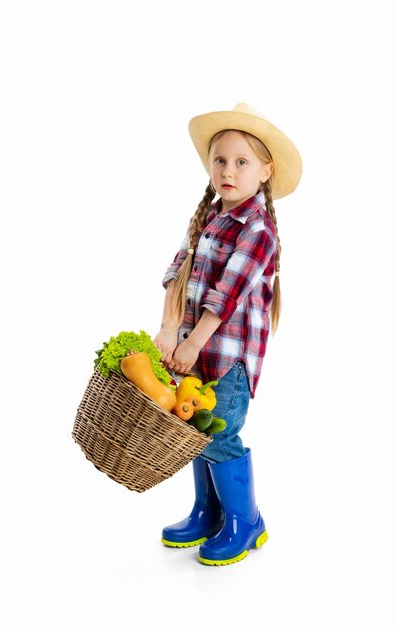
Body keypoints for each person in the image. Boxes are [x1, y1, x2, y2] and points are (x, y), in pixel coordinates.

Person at [154, 103, 302, 566]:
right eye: (220, 160)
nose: (228, 170)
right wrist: (166, 331)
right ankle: (208, 510)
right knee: (197, 430)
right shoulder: (208, 218)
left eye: (242, 162)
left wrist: (193, 341)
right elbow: (177, 273)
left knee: (220, 434)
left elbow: (226, 296)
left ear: (265, 172)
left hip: (228, 358)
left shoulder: (257, 230)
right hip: (191, 350)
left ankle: (245, 519)